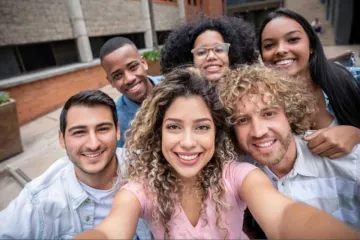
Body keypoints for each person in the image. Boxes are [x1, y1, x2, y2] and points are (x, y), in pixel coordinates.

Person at [75, 69, 360, 239]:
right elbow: (110, 231)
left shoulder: (238, 175)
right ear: (157, 133)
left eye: (201, 127)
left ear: (217, 132)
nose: (188, 142)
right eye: (174, 127)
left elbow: (283, 214)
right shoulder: (141, 189)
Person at [218, 64, 360, 230]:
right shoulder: (235, 175)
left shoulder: (346, 157)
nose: (258, 131)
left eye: (269, 114)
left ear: (289, 114)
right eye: (243, 120)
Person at [0, 90, 152, 239]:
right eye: (79, 132)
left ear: (117, 131)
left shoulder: (149, 167)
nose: (93, 144)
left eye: (103, 129)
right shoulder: (40, 199)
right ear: (62, 139)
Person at [258, 8, 360, 159]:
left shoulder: (351, 79)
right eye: (269, 45)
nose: (280, 50)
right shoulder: (260, 101)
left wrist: (356, 134)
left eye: (292, 40)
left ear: (311, 45)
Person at [100, 37, 163, 147]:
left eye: (133, 67)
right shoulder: (118, 120)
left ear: (143, 63)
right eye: (117, 75)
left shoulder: (173, 85)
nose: (129, 79)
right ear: (111, 82)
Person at [160, 16, 258, 81]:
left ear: (232, 55)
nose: (211, 56)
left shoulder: (250, 92)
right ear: (190, 60)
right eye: (201, 52)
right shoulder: (180, 98)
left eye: (219, 49)